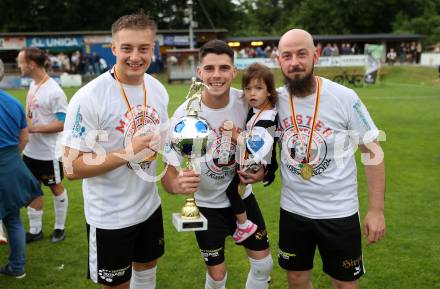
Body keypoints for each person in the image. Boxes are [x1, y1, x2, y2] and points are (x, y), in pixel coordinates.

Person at [62, 11, 168, 289]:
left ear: (153, 48)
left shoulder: (157, 89)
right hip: (110, 216)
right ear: (113, 49)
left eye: (143, 48)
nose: (136, 56)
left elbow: (165, 143)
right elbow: (71, 167)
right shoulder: (89, 97)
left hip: (149, 206)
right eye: (127, 48)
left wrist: (175, 173)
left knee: (147, 271)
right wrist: (128, 153)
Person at [276, 29, 386, 289]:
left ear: (316, 55)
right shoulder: (275, 99)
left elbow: (373, 152)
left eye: (302, 54)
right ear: (278, 60)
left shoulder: (344, 98)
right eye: (287, 56)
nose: (294, 62)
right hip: (293, 210)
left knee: (345, 284)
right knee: (296, 278)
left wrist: (376, 210)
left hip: (339, 211)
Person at [162, 40, 273, 289]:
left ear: (234, 71)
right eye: (209, 68)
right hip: (206, 205)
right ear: (199, 72)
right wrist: (177, 184)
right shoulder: (183, 116)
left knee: (263, 265)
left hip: (243, 198)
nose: (216, 75)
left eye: (224, 68)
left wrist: (262, 169)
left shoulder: (248, 103)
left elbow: (265, 141)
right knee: (217, 275)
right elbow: (168, 176)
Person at [17, 47, 69, 244]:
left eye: (20, 61)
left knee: (55, 187)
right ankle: (35, 229)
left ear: (31, 64)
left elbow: (63, 123)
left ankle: (59, 228)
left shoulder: (55, 91)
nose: (19, 65)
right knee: (32, 188)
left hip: (49, 153)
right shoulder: (33, 84)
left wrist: (33, 129)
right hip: (30, 151)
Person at [221, 63, 278, 243]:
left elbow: (257, 147)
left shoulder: (268, 118)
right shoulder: (256, 110)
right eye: (247, 88)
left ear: (269, 91)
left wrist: (234, 135)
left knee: (232, 192)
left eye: (258, 88)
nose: (252, 93)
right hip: (246, 161)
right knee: (234, 191)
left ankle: (245, 225)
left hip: (252, 164)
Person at [0, 58, 43, 279]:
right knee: (13, 217)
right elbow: (24, 139)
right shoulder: (15, 103)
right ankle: (17, 267)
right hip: (12, 164)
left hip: (8, 162)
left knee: (12, 218)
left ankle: (16, 266)